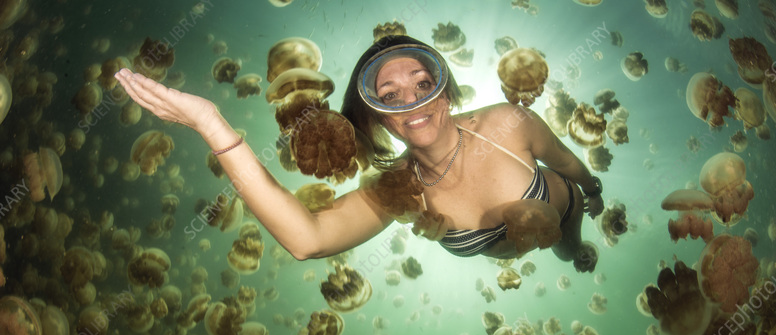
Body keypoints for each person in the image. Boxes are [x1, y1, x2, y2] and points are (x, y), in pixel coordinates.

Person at [115, 34, 605, 270]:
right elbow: (309, 239)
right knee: (527, 238)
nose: (411, 101)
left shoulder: (506, 122)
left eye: (422, 83)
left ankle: (575, 247)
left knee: (567, 248)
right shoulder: (401, 190)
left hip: (567, 205)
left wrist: (593, 188)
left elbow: (566, 162)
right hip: (502, 254)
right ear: (374, 118)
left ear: (447, 91)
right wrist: (213, 127)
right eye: (388, 96)